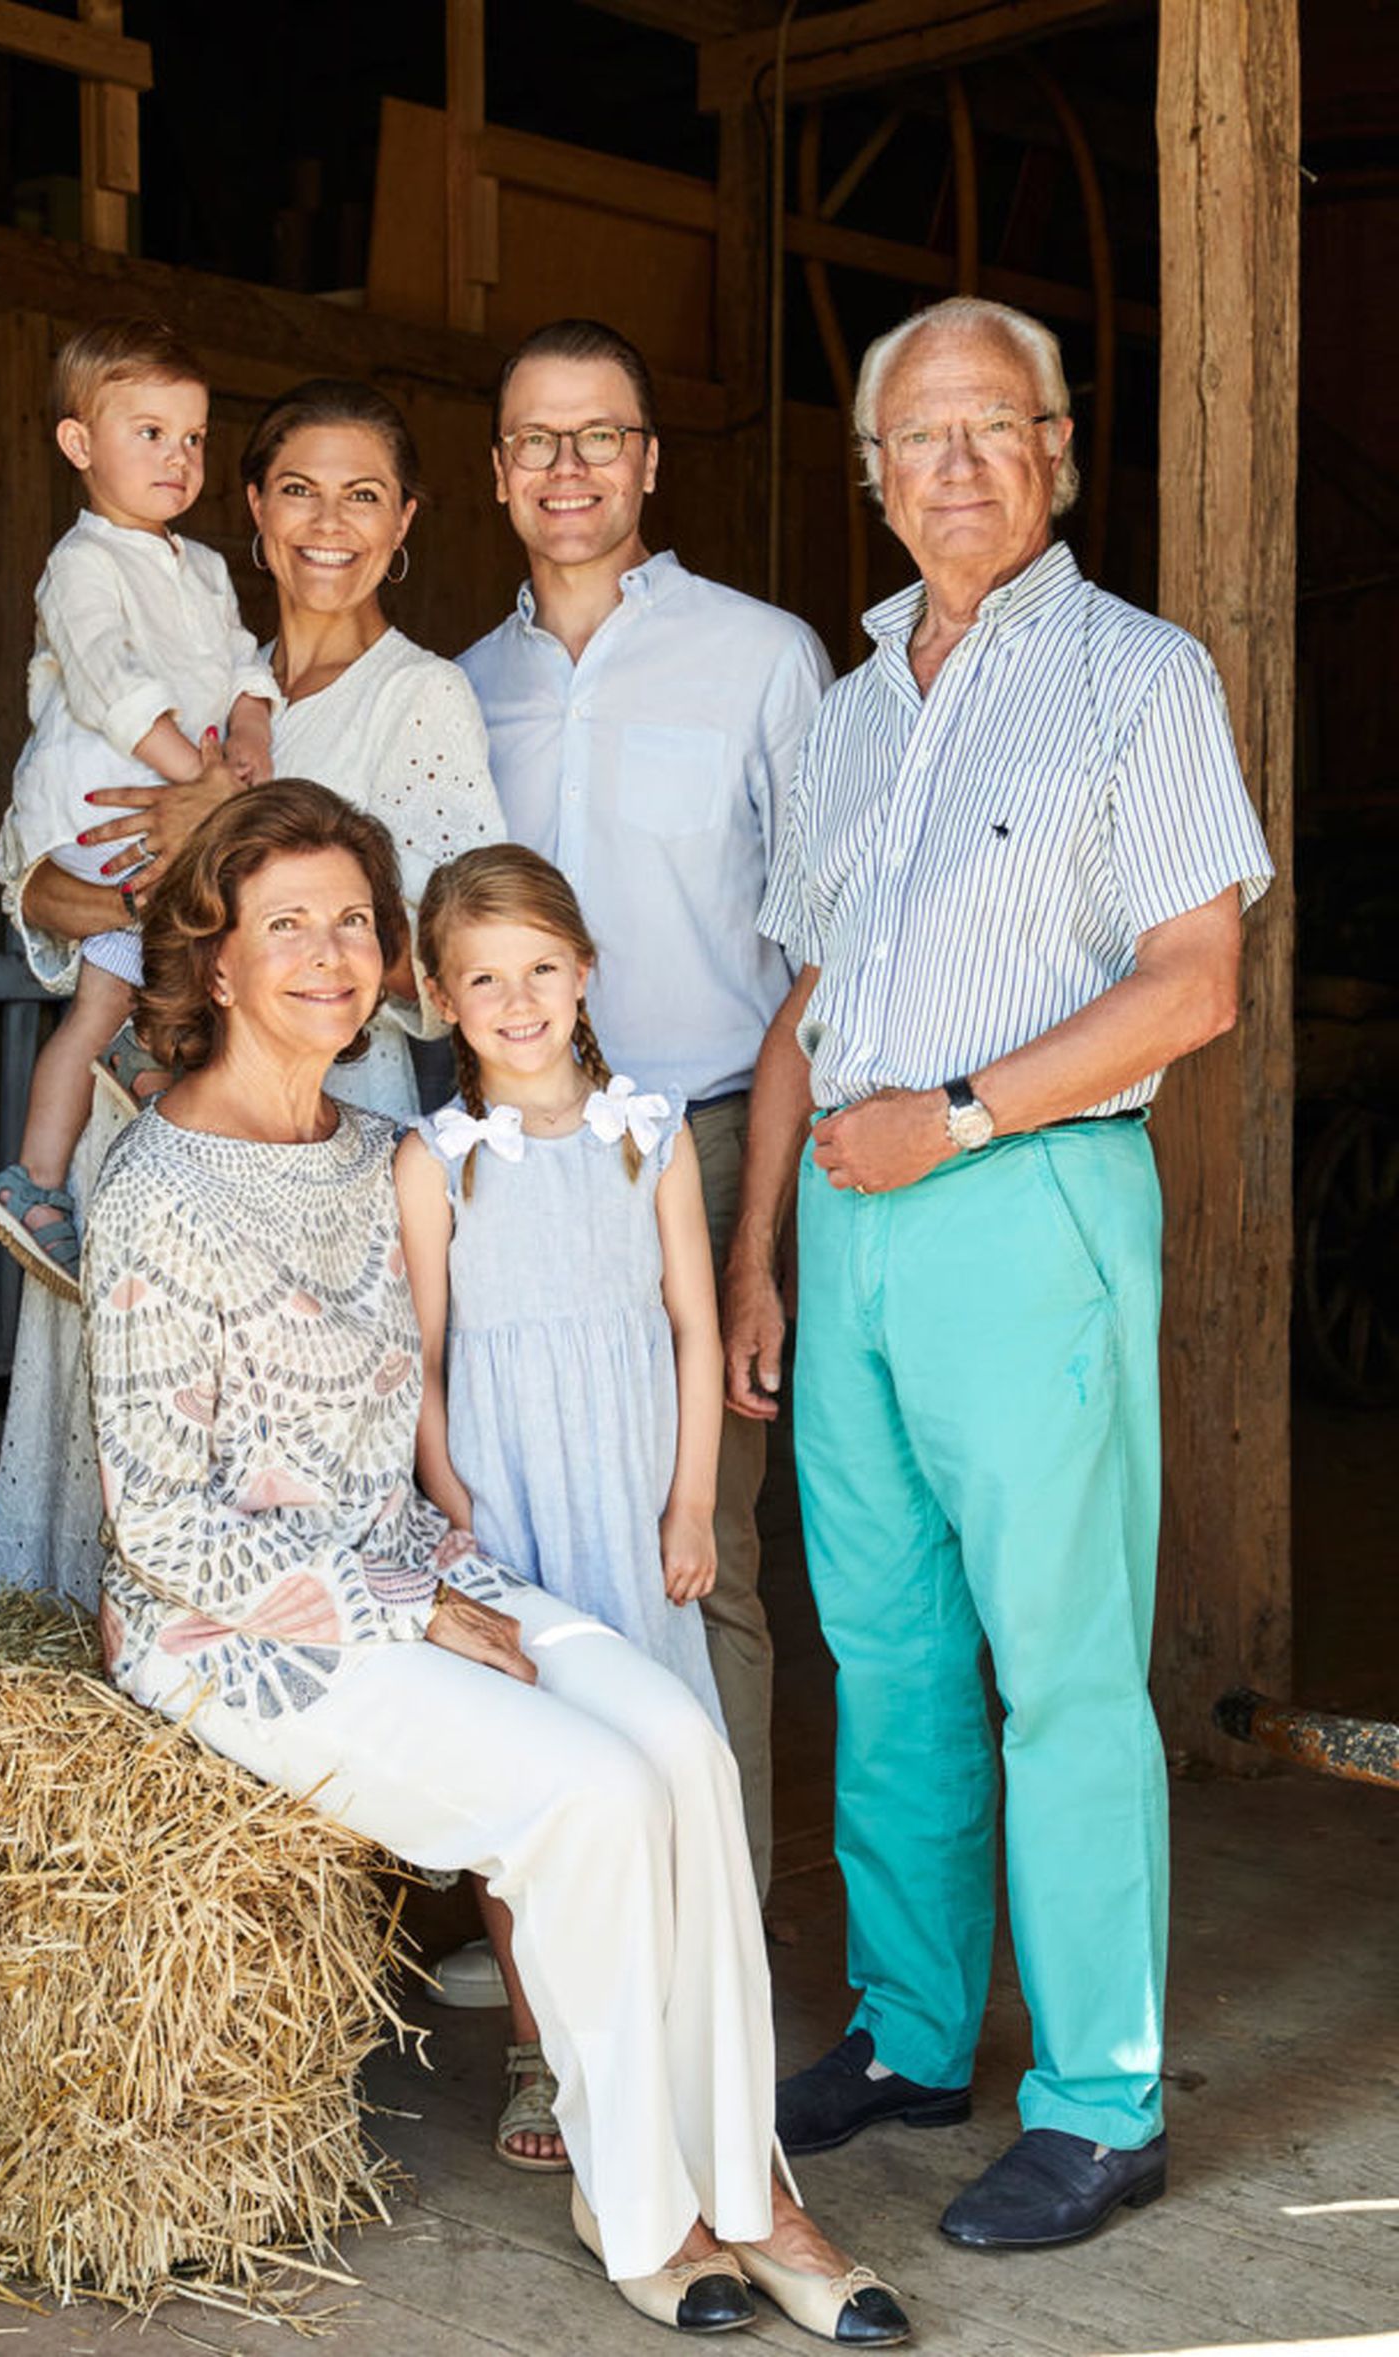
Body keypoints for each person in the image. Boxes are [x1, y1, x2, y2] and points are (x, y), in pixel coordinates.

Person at [82, 778, 911, 2348]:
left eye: (351, 921)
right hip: (238, 1631)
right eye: (285, 925)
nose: (329, 953)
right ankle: (641, 2203)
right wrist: (403, 1605)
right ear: (215, 960)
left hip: (414, 1565)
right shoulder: (155, 1188)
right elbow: (162, 1526)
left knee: (685, 1751)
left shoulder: (375, 1149)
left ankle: (754, 2192)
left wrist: (437, 1572)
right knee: (587, 1794)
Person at [722, 295, 1274, 2252]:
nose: (955, 464)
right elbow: (804, 1001)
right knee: (884, 1656)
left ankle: (1101, 2101)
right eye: (918, 436)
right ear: (872, 473)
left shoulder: (1140, 674)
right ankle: (907, 2031)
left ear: (1055, 447)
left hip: (1022, 1199)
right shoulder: (851, 705)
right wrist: (760, 1249)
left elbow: (1194, 981)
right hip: (849, 1220)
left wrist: (950, 1117)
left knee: (1059, 1670)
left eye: (993, 426)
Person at [0, 378, 503, 1605]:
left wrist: (232, 853)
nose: (329, 522)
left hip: (318, 1128)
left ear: (404, 521)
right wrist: (137, 895)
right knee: (125, 1456)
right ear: (256, 513)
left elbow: (449, 956)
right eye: (298, 491)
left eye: (363, 495)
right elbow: (32, 884)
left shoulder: (421, 696)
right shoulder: (197, 683)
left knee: (280, 1468)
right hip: (139, 1117)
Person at [457, 316, 833, 1923]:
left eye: (600, 434)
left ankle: (713, 1932)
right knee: (522, 1537)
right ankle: (562, 1931)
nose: (569, 467)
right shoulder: (458, 690)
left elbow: (823, 950)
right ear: (496, 473)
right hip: (507, 1157)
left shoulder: (765, 656)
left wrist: (757, 1245)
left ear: (652, 461)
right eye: (537, 440)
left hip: (713, 1136)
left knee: (703, 1541)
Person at [395, 845, 724, 2172]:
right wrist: (453, 1506)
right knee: (528, 1785)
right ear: (439, 996)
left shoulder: (651, 1131)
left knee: (656, 1763)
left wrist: (691, 1502)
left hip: (632, 1507)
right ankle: (538, 2049)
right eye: (484, 978)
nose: (518, 999)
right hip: (510, 1520)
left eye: (540, 967)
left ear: (584, 971)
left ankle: (662, 2037)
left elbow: (695, 1330)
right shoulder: (437, 1160)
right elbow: (420, 1361)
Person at [0, 317, 279, 1295]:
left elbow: (244, 666)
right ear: (79, 443)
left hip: (167, 806)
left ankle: (54, 1164)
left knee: (113, 992)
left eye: (193, 437)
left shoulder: (206, 568)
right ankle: (87, 1122)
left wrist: (251, 731)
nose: (177, 457)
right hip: (103, 804)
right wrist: (199, 781)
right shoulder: (84, 562)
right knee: (213, 923)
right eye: (149, 433)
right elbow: (112, 682)